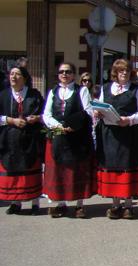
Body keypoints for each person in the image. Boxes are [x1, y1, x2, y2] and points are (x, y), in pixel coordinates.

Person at [94, 58, 138, 219]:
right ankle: (115, 204)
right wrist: (97, 112)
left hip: (129, 134)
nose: (124, 73)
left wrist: (129, 120)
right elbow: (101, 107)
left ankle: (128, 205)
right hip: (110, 134)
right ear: (115, 73)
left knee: (128, 167)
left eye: (126, 70)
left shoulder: (137, 89)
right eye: (120, 71)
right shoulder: (106, 88)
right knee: (113, 168)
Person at [42, 62, 96, 218]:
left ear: (73, 74)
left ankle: (79, 205)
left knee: (78, 171)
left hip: (77, 137)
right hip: (59, 136)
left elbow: (88, 111)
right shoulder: (53, 91)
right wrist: (58, 126)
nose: (64, 74)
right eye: (61, 72)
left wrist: (73, 126)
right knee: (60, 172)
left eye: (68, 71)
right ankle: (61, 204)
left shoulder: (82, 90)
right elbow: (47, 114)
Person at [0, 66, 44, 214]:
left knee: (31, 171)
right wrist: (11, 120)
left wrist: (37, 118)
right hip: (9, 140)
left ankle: (35, 203)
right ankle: (15, 202)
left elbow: (45, 114)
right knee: (13, 172)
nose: (13, 77)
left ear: (24, 78)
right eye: (11, 74)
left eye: (17, 74)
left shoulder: (34, 94)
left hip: (30, 140)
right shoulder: (3, 95)